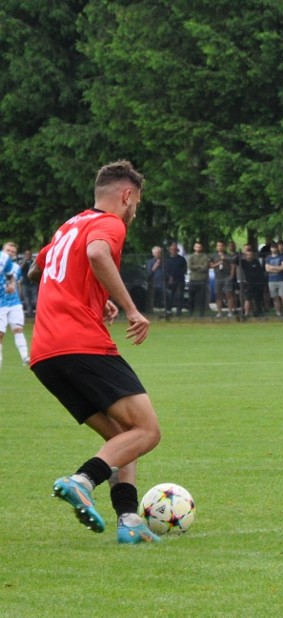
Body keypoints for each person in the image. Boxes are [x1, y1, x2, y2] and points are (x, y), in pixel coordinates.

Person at [28, 160, 162, 544]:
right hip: (80, 343)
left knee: (124, 437)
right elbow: (98, 255)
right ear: (126, 195)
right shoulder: (110, 223)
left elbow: (38, 272)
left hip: (45, 354)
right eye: (136, 202)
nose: (135, 211)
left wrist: (91, 295)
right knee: (148, 431)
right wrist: (131, 308)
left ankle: (129, 521)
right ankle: (82, 480)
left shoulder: (69, 226)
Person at [1, 242, 30, 368]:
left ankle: (25, 357)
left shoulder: (15, 267)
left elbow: (13, 279)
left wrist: (12, 286)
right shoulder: (2, 260)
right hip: (1, 303)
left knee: (18, 329)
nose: (10, 253)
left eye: (13, 252)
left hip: (14, 302)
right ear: (3, 250)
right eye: (8, 250)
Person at [211, 241, 236, 318]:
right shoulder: (214, 256)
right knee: (218, 295)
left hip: (227, 277)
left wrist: (231, 276)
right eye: (218, 246)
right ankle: (219, 312)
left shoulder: (228, 256)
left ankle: (230, 312)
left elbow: (233, 266)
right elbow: (211, 265)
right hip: (218, 277)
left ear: (224, 247)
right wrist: (218, 263)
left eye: (221, 246)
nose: (220, 247)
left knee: (229, 294)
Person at [240, 245, 266, 318]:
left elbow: (260, 273)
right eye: (247, 254)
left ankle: (258, 312)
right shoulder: (244, 262)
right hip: (249, 283)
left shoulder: (256, 262)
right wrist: (242, 253)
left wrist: (262, 282)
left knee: (257, 299)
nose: (249, 256)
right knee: (248, 298)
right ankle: (246, 313)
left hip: (257, 283)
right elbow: (235, 260)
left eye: (250, 254)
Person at [265, 243, 283, 317]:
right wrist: (278, 268)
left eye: (275, 248)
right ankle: (278, 313)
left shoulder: (282, 257)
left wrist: (272, 267)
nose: (274, 249)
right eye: (272, 248)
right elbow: (267, 269)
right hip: (271, 280)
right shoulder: (268, 258)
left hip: (281, 280)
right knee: (275, 298)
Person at [186, 241, 211, 317]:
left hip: (202, 280)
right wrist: (200, 266)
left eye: (199, 247)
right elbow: (190, 267)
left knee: (202, 298)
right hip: (193, 279)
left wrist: (196, 267)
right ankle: (190, 313)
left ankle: (201, 314)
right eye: (196, 247)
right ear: (194, 248)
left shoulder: (205, 256)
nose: (198, 248)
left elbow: (205, 267)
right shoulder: (191, 257)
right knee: (191, 298)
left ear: (202, 248)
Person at [163, 241, 186, 317]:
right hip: (169, 281)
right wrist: (169, 277)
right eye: (172, 249)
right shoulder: (167, 260)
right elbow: (165, 270)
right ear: (170, 250)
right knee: (169, 296)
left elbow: (184, 270)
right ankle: (168, 311)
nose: (173, 250)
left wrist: (177, 276)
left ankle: (178, 312)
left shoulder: (181, 259)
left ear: (177, 250)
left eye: (175, 249)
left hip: (179, 280)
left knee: (179, 296)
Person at [19, 248, 38, 317]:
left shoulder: (33, 261)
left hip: (33, 284)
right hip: (25, 283)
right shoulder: (22, 262)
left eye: (29, 254)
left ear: (31, 255)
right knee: (27, 300)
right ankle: (30, 314)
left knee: (35, 299)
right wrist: (25, 261)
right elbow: (20, 269)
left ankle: (37, 313)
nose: (27, 255)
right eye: (26, 254)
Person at [145, 246, 164, 311]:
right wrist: (156, 265)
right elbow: (149, 273)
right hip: (154, 283)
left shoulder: (165, 261)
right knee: (154, 297)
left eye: (159, 252)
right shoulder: (150, 262)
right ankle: (153, 309)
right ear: (153, 253)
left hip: (163, 283)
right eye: (156, 252)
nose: (158, 254)